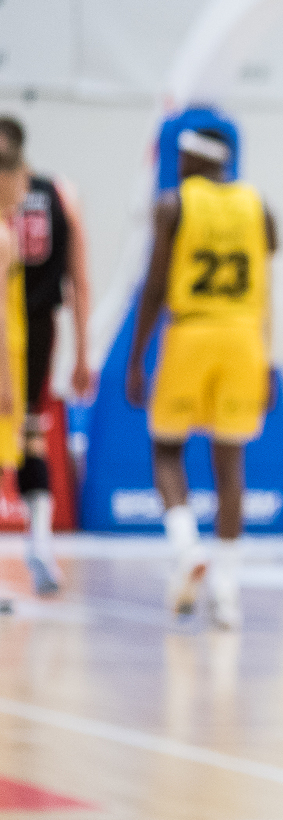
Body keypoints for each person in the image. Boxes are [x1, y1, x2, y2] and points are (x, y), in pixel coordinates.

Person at [126, 128, 277, 630]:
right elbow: (277, 288)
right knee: (230, 465)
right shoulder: (259, 207)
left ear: (194, 158)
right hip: (245, 338)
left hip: (191, 333)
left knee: (166, 450)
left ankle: (188, 547)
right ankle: (227, 592)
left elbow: (154, 286)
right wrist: (271, 361)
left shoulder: (174, 205)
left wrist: (136, 357)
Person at [0, 117, 93, 596]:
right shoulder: (61, 193)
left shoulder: (51, 195)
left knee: (27, 436)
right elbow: (80, 280)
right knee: (29, 436)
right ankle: (39, 545)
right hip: (30, 331)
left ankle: (39, 544)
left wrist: (83, 353)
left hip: (24, 332)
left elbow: (79, 277)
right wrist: (82, 351)